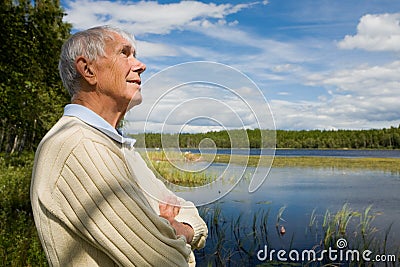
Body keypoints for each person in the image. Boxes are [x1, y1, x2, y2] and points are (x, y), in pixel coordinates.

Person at [30, 25, 208, 267]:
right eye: (125, 54)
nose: (141, 65)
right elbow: (166, 261)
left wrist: (177, 229)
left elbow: (184, 208)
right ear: (88, 69)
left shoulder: (116, 146)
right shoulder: (80, 147)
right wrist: (182, 234)